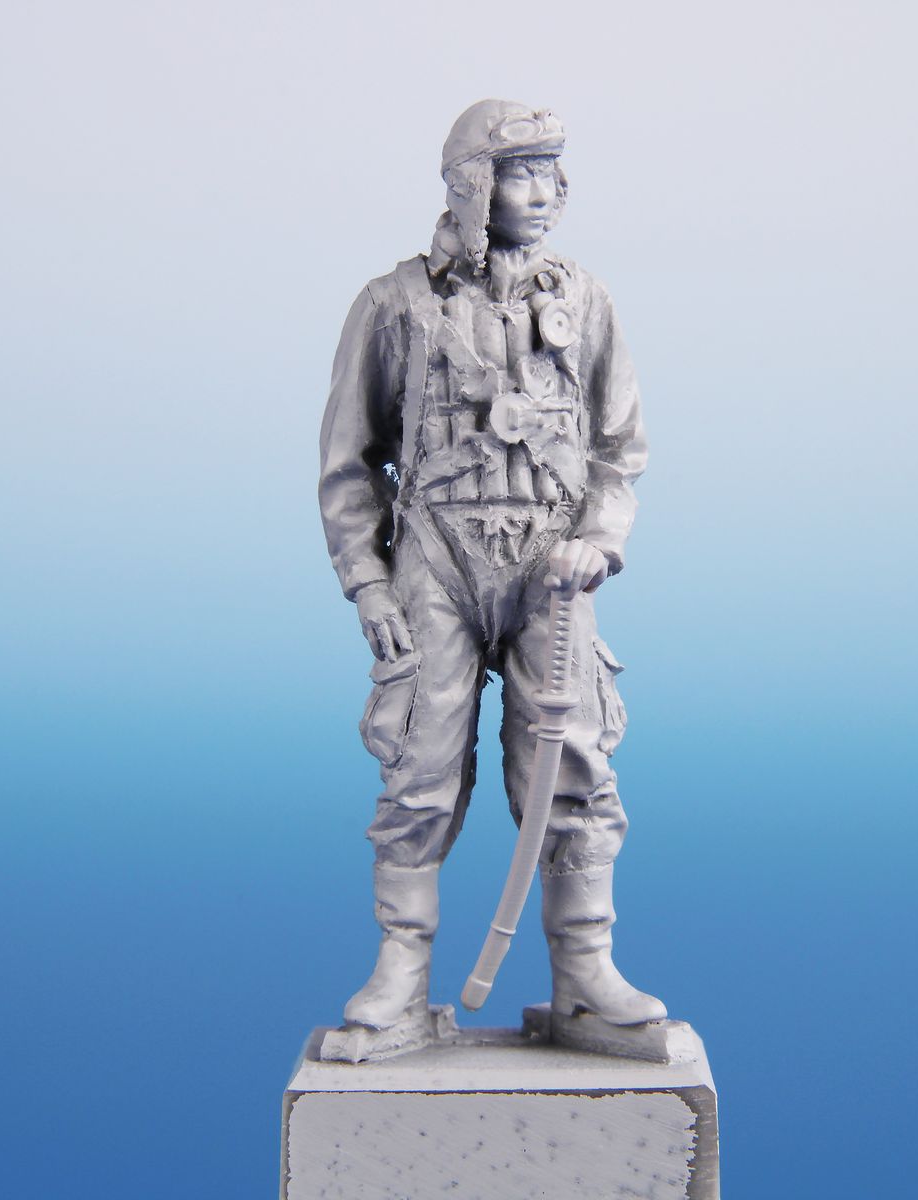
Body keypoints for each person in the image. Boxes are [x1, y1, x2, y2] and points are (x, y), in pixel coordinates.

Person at [317, 99, 664, 1037]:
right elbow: (349, 463)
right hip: (435, 565)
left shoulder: (585, 301)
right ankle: (401, 968)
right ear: (474, 184)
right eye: (521, 173)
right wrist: (369, 581)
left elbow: (620, 446)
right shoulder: (394, 306)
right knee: (420, 765)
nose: (543, 192)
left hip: (554, 569)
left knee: (574, 761)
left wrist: (599, 539)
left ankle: (585, 966)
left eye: (551, 172)